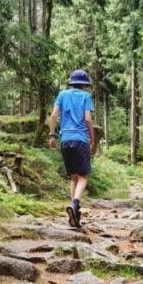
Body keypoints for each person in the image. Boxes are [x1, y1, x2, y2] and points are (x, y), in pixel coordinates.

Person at [49, 69, 95, 227]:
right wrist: (92, 139)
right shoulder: (85, 96)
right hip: (80, 138)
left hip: (65, 139)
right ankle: (75, 203)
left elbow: (54, 115)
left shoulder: (62, 94)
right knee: (84, 176)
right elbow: (88, 119)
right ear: (84, 85)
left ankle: (75, 213)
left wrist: (52, 135)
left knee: (74, 177)